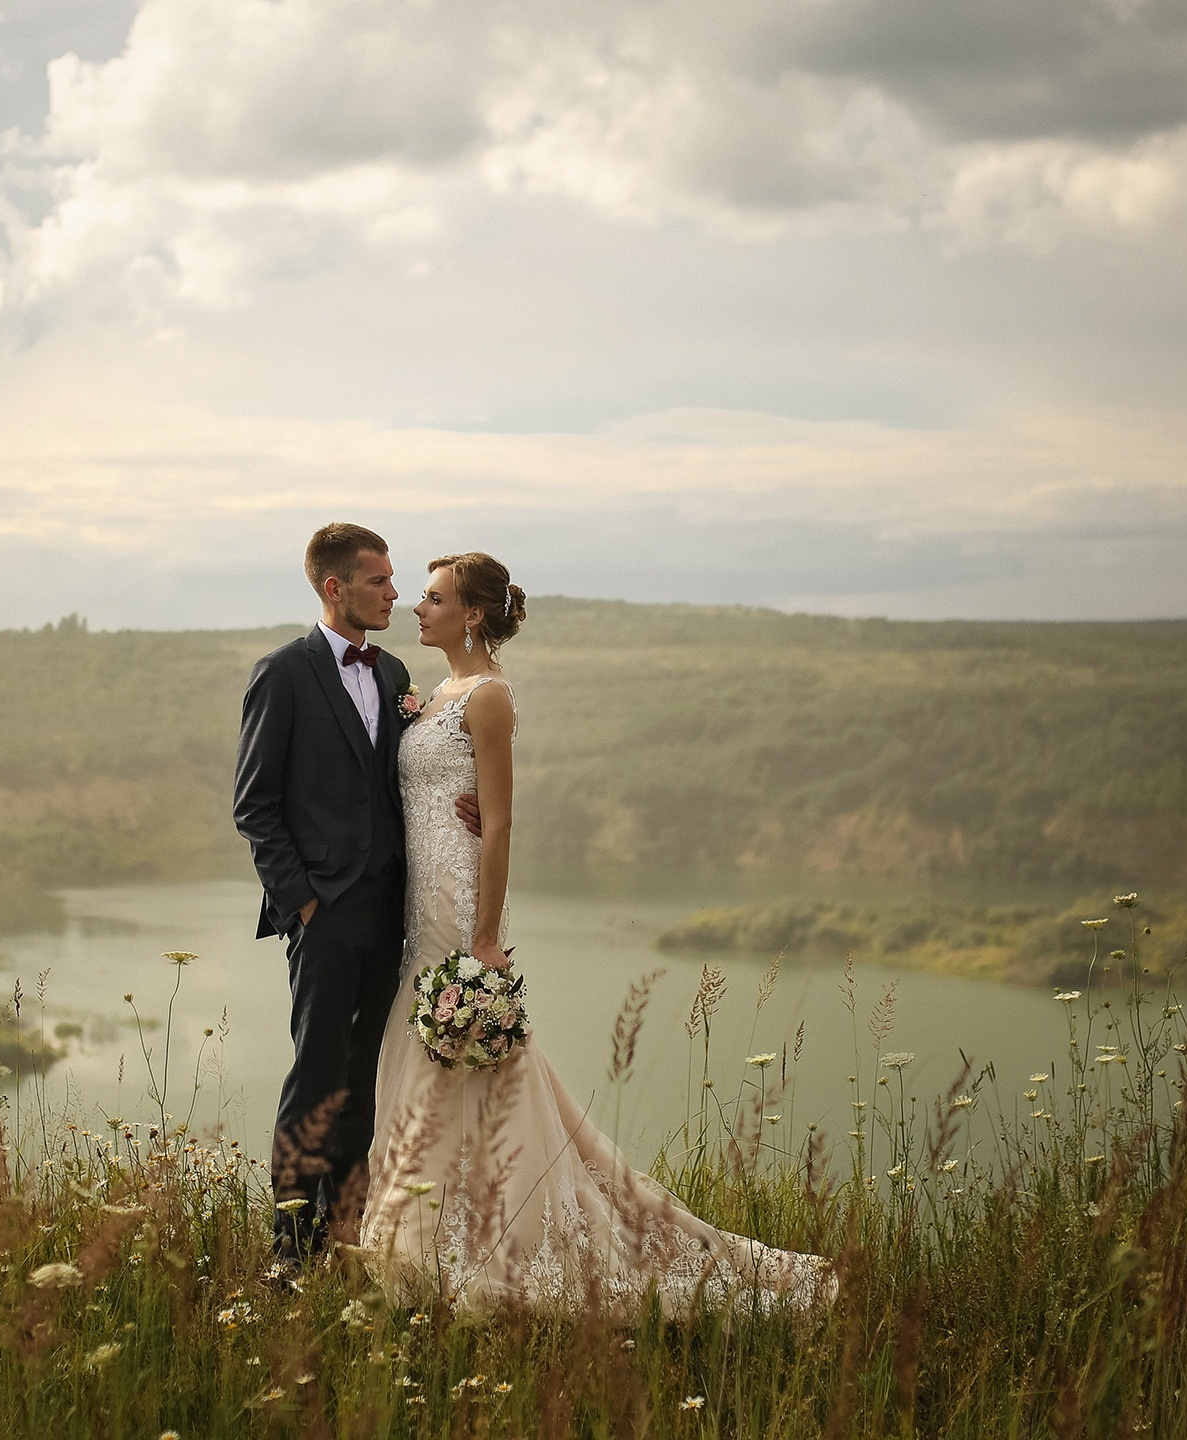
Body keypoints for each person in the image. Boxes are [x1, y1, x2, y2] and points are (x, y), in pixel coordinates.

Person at [355, 552, 835, 1314]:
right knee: (437, 1059)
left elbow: (503, 818)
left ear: (472, 614)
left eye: (434, 597)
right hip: (419, 902)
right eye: (420, 596)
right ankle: (434, 1230)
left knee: (469, 1058)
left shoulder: (488, 697)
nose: (419, 608)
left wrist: (485, 937)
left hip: (459, 904)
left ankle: (476, 1241)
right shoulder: (432, 694)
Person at [233, 523, 476, 1260]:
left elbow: (411, 778)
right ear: (336, 588)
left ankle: (348, 1234)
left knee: (367, 1077)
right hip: (325, 912)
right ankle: (291, 1251)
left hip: (394, 909)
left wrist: (466, 802)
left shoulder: (398, 673)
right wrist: (302, 900)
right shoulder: (283, 673)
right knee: (316, 1077)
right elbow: (255, 804)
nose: (395, 595)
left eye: (398, 582)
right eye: (380, 582)